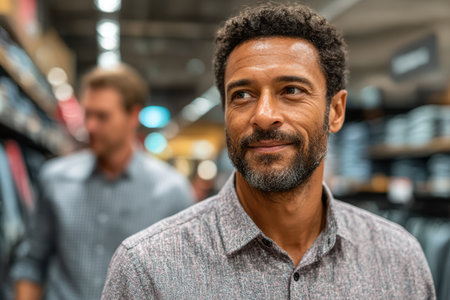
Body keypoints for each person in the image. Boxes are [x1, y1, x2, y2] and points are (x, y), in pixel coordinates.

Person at [102, 4, 435, 299]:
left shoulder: (399, 259)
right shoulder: (147, 270)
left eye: (291, 90)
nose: (262, 115)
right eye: (242, 95)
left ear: (335, 111)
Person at [10, 64, 194, 300]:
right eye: (88, 114)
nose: (90, 127)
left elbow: (183, 281)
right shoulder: (55, 179)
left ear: (133, 115)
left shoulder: (172, 192)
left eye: (103, 116)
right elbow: (32, 264)